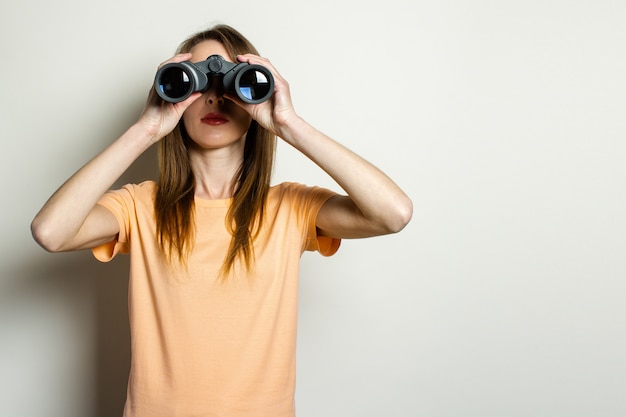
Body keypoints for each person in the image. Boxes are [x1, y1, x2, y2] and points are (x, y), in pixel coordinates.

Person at [31, 24, 412, 417]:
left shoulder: (289, 207)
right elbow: (50, 231)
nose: (215, 96)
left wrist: (288, 125)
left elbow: (393, 213)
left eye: (232, 81)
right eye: (195, 83)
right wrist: (146, 129)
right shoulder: (141, 206)